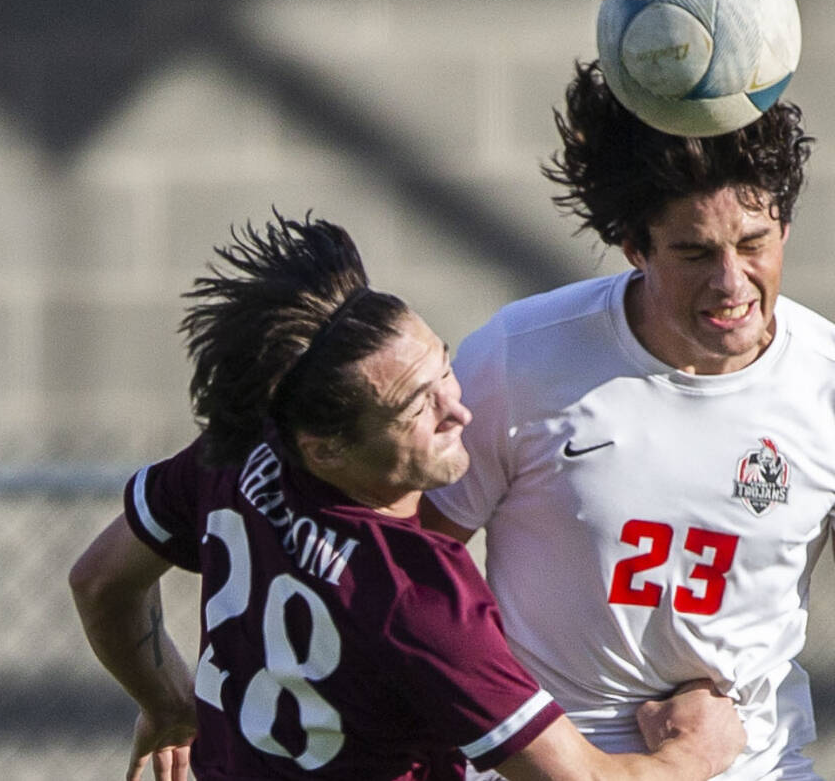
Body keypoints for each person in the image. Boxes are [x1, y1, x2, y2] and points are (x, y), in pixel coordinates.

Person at [421, 62, 835, 780]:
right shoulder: (520, 360)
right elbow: (413, 579)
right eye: (695, 252)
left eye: (753, 242)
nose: (732, 282)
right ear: (635, 248)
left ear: (786, 227)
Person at [69, 213, 746, 781]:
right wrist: (693, 752)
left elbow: (100, 582)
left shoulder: (242, 452)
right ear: (327, 447)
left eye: (445, 368)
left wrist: (168, 709)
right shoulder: (419, 601)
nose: (460, 412)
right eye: (417, 407)